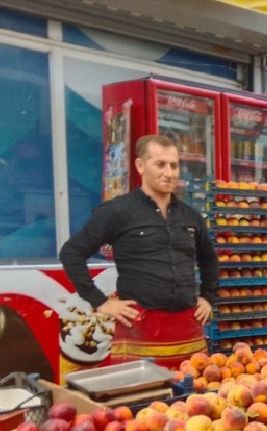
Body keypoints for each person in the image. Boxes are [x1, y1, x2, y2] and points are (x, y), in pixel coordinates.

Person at [60, 134, 217, 369]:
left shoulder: (191, 216)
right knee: (140, 402)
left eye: (174, 165)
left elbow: (209, 259)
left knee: (192, 399)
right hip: (139, 329)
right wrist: (100, 302)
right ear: (140, 166)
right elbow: (72, 252)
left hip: (188, 329)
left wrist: (208, 297)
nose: (169, 172)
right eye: (160, 164)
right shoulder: (117, 211)